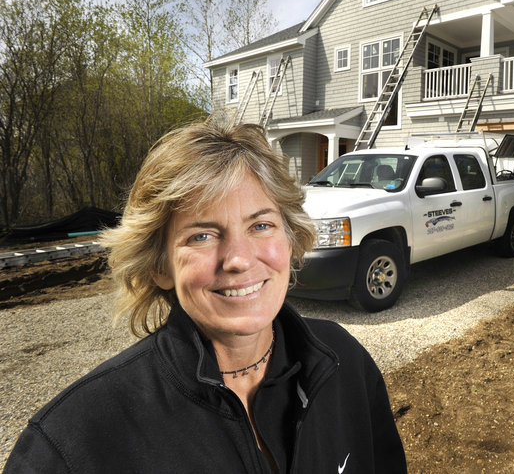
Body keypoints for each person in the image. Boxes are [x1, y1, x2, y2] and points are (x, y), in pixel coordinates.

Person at [4, 120, 406, 473]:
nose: (237, 259)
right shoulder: (74, 444)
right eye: (201, 235)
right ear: (159, 266)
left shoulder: (344, 363)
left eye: (261, 225)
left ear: (291, 237)